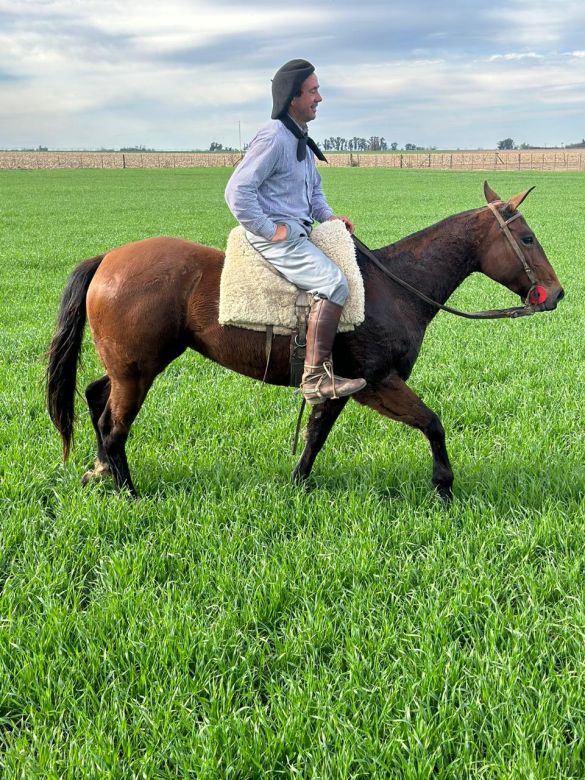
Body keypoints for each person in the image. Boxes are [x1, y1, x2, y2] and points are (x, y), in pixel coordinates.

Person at [224, 58, 366, 406]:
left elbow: (313, 192)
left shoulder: (299, 138)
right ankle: (315, 377)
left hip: (297, 233)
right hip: (280, 238)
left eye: (318, 90)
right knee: (334, 284)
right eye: (313, 91)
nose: (320, 98)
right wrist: (268, 230)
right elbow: (237, 191)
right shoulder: (274, 138)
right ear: (293, 97)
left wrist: (330, 219)